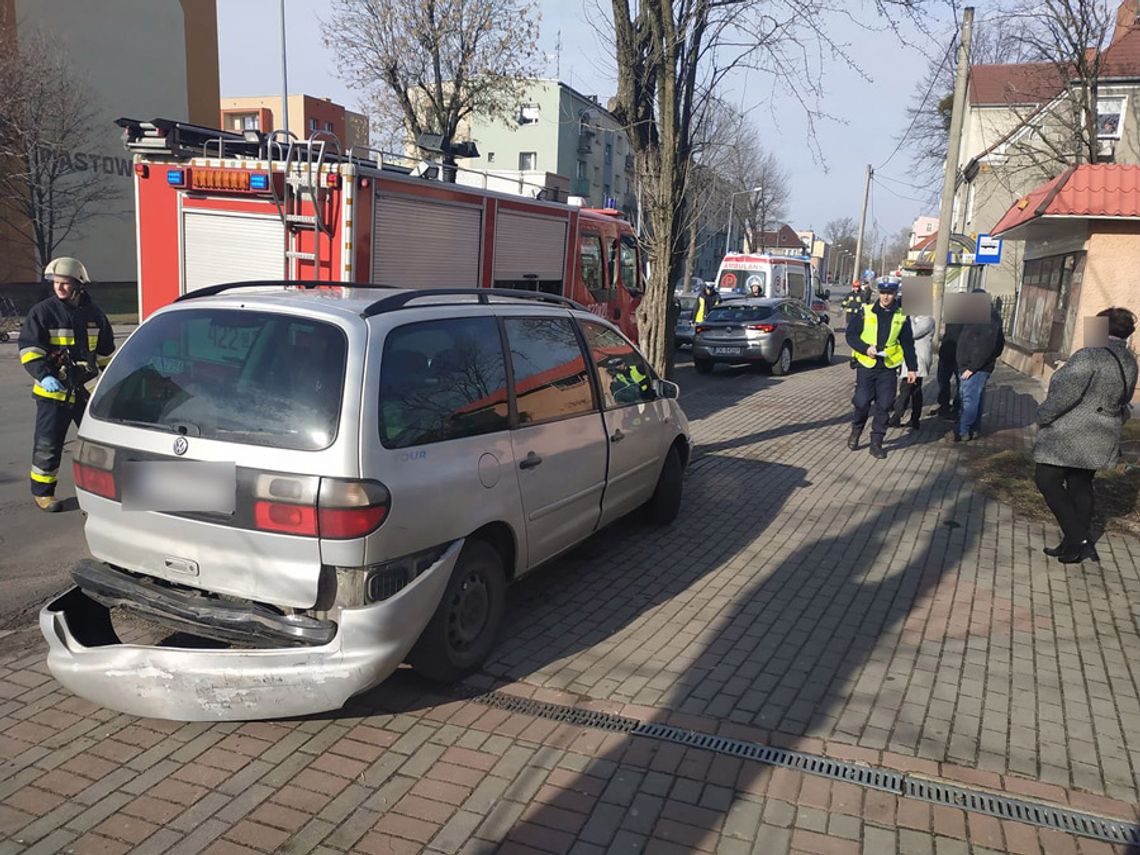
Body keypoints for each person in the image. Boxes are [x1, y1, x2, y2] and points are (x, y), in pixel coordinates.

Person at [1033, 307, 1138, 564]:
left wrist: (1043, 415)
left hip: (1071, 434)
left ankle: (1079, 539)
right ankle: (1072, 546)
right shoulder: (1128, 359)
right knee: (1081, 484)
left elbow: (1065, 394)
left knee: (1046, 480)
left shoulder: (1090, 355)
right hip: (1102, 434)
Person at [18, 257, 115, 512]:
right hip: (54, 393)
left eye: (65, 283)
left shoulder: (95, 316)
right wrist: (44, 375)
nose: (59, 288)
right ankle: (43, 494)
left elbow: (106, 354)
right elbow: (30, 350)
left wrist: (111, 384)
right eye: (56, 283)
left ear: (79, 285)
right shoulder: (43, 313)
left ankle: (98, 494)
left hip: (87, 393)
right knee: (48, 445)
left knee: (98, 448)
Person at [845, 277, 917, 459]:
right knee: (861, 402)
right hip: (867, 364)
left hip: (888, 366)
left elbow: (908, 344)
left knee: (884, 405)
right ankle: (856, 430)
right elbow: (851, 335)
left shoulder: (901, 315)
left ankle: (876, 442)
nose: (886, 297)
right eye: (883, 293)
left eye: (890, 293)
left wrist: (912, 368)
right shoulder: (865, 311)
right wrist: (865, 348)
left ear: (895, 294)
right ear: (878, 293)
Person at [952, 290, 1005, 442]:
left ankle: (963, 430)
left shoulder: (988, 320)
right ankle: (973, 428)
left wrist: (973, 367)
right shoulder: (979, 317)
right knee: (976, 398)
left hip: (975, 368)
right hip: (975, 366)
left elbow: (987, 347)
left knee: (969, 399)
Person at [889, 307, 934, 432]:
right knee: (915, 391)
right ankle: (915, 420)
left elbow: (912, 332)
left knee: (905, 389)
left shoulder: (928, 320)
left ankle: (896, 417)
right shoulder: (916, 318)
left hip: (919, 360)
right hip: (911, 360)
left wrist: (909, 317)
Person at [932, 320, 962, 417]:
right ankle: (944, 405)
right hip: (946, 352)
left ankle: (957, 407)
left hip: (960, 354)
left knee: (960, 383)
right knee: (943, 380)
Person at [840, 281, 873, 368]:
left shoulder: (861, 295)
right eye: (854, 287)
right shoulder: (849, 294)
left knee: (857, 334)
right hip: (849, 316)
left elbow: (864, 303)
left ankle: (855, 356)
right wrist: (841, 309)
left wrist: (864, 309)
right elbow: (845, 302)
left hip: (858, 316)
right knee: (849, 331)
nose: (856, 288)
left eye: (857, 287)